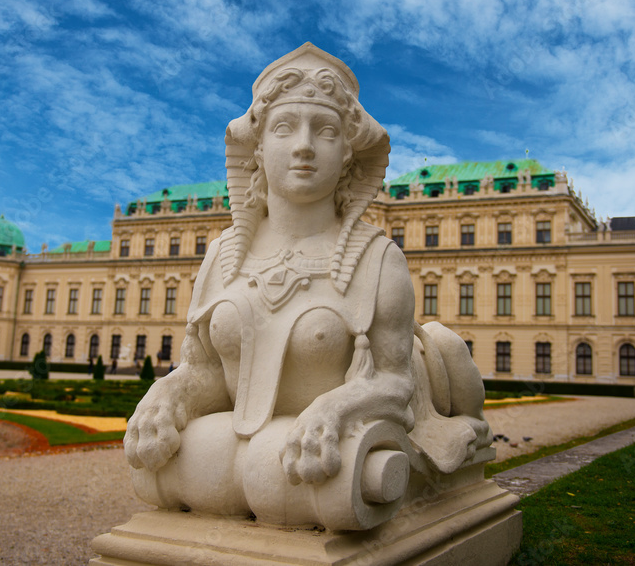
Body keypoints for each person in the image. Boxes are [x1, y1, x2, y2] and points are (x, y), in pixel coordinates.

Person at [124, 44, 491, 531]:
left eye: (324, 131)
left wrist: (334, 408)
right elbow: (209, 371)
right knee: (210, 462)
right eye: (283, 127)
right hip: (266, 431)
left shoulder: (379, 259)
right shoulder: (222, 256)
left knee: (442, 342)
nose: (303, 146)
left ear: (347, 154)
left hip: (388, 392)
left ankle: (466, 428)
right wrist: (166, 393)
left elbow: (395, 381)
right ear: (256, 149)